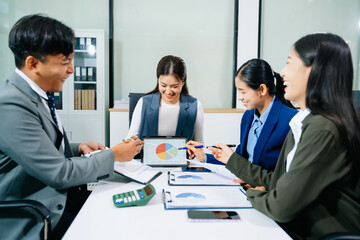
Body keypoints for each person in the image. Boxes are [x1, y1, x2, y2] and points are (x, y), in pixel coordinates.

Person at [0, 14, 143, 240]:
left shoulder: (37, 94)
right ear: (33, 64)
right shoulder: (10, 104)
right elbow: (59, 173)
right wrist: (113, 155)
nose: (72, 70)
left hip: (59, 197)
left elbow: (38, 147)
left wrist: (76, 148)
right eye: (65, 62)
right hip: (36, 212)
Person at [208, 33, 360, 239]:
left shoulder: (322, 127)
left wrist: (250, 192)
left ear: (314, 71)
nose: (283, 73)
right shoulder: (305, 122)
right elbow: (279, 181)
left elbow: (281, 205)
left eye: (290, 63)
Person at [186, 59, 297, 171]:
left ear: (262, 89)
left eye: (243, 92)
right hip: (244, 184)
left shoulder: (291, 121)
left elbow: (290, 173)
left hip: (267, 187)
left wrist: (261, 186)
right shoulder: (248, 116)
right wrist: (204, 156)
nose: (239, 97)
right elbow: (241, 159)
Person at [126, 55, 204, 143]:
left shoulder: (195, 106)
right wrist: (131, 143)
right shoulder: (144, 102)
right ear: (158, 81)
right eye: (163, 85)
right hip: (148, 156)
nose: (168, 91)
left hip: (182, 157)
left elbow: (199, 142)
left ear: (182, 83)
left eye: (174, 86)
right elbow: (130, 139)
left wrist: (197, 150)